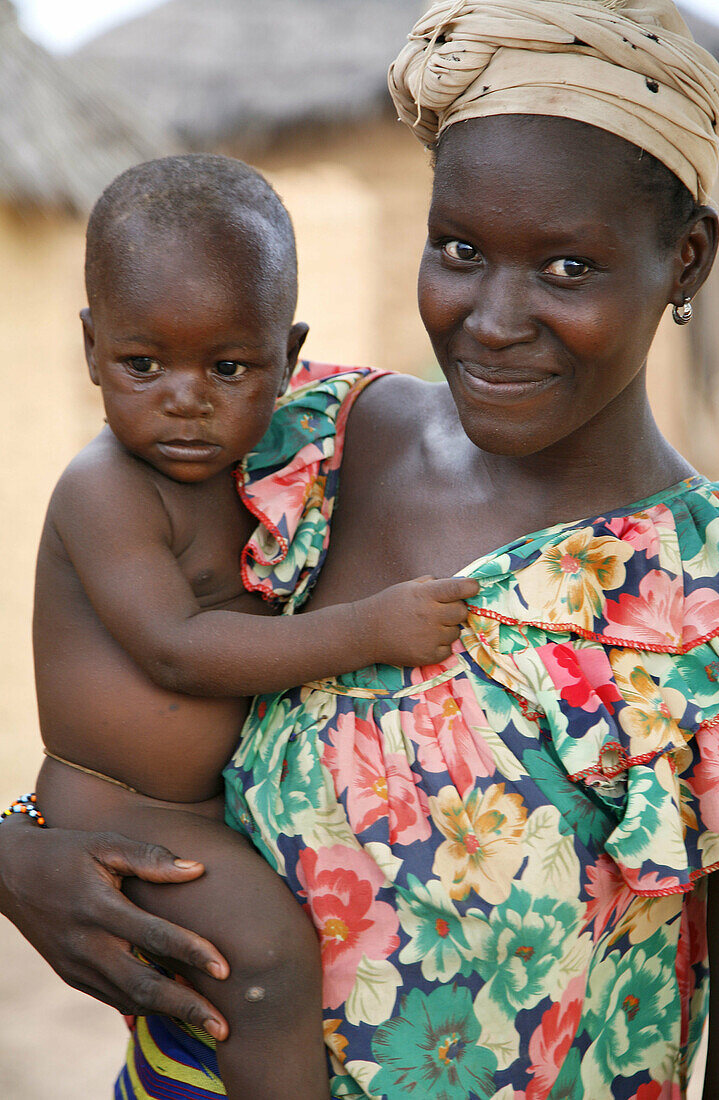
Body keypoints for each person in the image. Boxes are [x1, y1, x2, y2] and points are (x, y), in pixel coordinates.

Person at [2, 0, 719, 1097]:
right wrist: (17, 849)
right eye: (460, 250)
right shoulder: (296, 439)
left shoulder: (703, 602)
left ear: (685, 258)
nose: (493, 317)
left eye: (568, 268)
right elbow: (130, 669)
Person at [25, 153, 478, 1100]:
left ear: (286, 357)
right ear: (90, 348)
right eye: (141, 363)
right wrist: (367, 630)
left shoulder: (278, 468)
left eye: (227, 367)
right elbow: (177, 650)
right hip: (120, 809)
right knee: (266, 962)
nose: (184, 398)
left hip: (204, 809)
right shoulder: (104, 488)